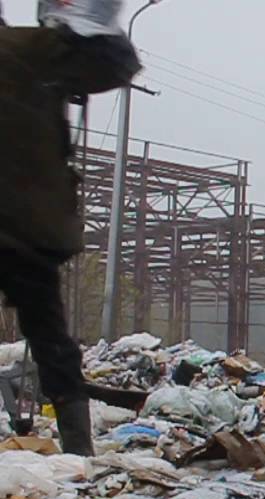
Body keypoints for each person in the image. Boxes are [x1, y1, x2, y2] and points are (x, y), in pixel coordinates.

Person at [0, 1, 138, 455]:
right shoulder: (31, 50)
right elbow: (114, 64)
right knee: (52, 342)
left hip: (23, 227)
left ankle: (79, 455)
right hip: (27, 231)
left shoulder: (24, 51)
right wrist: (87, 22)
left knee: (51, 339)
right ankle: (79, 455)